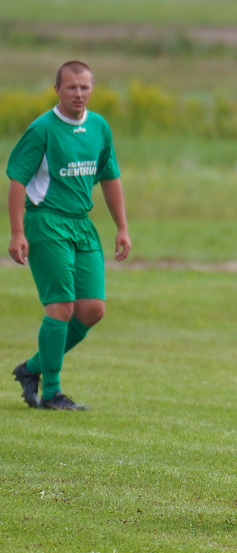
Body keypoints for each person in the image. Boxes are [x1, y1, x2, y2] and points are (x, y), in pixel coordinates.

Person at [7, 60, 131, 411]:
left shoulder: (99, 126)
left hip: (81, 223)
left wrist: (122, 226)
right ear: (57, 89)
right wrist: (17, 232)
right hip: (46, 221)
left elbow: (110, 176)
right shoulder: (42, 129)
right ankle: (51, 394)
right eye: (72, 87)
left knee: (92, 309)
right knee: (61, 307)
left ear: (92, 89)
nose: (79, 93)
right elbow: (17, 179)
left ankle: (31, 369)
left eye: (85, 87)